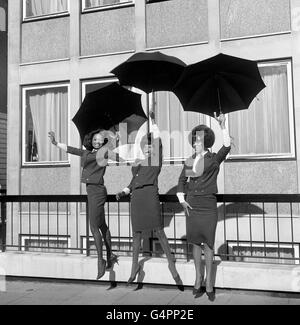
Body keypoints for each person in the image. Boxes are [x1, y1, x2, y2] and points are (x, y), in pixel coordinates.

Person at [116, 112, 183, 289]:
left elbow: (159, 142)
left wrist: (153, 122)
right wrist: (123, 191)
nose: (148, 148)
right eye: (145, 146)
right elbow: (133, 182)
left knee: (159, 230)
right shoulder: (137, 162)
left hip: (150, 195)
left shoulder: (156, 161)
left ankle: (171, 263)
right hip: (136, 197)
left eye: (150, 146)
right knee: (136, 234)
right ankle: (134, 268)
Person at [48, 129, 119, 280]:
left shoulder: (104, 152)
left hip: (97, 191)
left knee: (94, 226)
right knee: (101, 225)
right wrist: (55, 143)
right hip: (91, 190)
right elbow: (71, 150)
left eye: (100, 140)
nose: (97, 142)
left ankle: (101, 260)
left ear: (103, 142)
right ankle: (110, 253)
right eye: (95, 140)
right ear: (91, 141)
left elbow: (116, 155)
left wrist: (116, 140)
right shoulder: (87, 153)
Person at [177, 113, 231, 301]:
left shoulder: (214, 158)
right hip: (192, 204)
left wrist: (223, 125)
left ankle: (209, 282)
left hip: (208, 204)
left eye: (198, 140)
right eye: (194, 140)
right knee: (194, 242)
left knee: (208, 242)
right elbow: (181, 180)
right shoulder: (190, 160)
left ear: (205, 141)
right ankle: (198, 278)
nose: (195, 143)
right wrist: (182, 200)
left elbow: (227, 146)